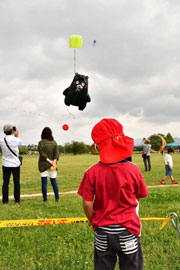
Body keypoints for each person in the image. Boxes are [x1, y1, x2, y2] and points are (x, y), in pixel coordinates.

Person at [78, 118, 148, 270]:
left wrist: (91, 220)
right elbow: (140, 195)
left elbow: (87, 203)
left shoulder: (91, 172)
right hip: (128, 231)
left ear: (98, 146)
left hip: (102, 232)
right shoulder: (134, 169)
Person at [0, 124, 23, 204]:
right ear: (12, 131)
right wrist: (17, 135)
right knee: (16, 182)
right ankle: (17, 200)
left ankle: (5, 201)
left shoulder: (1, 140)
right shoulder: (17, 140)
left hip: (5, 163)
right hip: (15, 164)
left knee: (5, 182)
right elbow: (21, 144)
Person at [38, 127, 60, 202]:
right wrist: (53, 161)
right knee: (53, 181)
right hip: (52, 165)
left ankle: (45, 199)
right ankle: (57, 198)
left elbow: (42, 154)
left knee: (44, 182)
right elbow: (56, 153)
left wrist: (49, 161)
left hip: (43, 165)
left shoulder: (41, 143)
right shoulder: (54, 142)